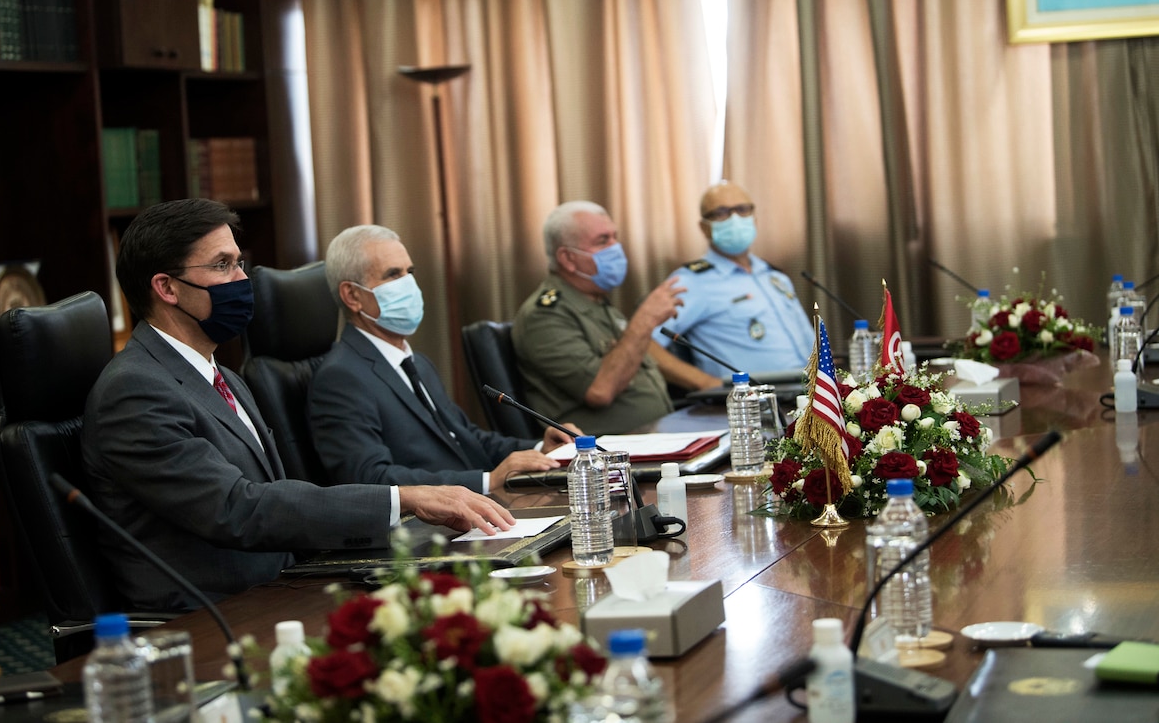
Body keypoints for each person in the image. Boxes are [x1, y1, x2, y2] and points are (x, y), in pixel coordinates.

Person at [82, 200, 513, 611]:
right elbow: (239, 509)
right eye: (222, 265)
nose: (240, 279)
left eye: (238, 262)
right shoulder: (135, 390)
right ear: (166, 287)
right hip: (211, 617)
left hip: (282, 586)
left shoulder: (222, 376)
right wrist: (404, 498)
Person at [309, 225, 575, 493]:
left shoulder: (418, 363)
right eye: (393, 275)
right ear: (352, 296)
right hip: (428, 527)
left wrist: (541, 448)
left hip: (478, 509)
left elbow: (466, 439)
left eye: (409, 272)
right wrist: (486, 481)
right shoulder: (341, 377)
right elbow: (370, 479)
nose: (408, 283)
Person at [511, 201, 723, 435]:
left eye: (615, 237)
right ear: (568, 259)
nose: (616, 247)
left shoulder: (598, 303)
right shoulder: (545, 315)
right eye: (603, 241)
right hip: (607, 455)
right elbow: (600, 391)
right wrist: (644, 321)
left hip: (658, 436)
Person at [652, 181, 812, 377]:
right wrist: (704, 384)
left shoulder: (774, 276)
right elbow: (645, 345)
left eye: (742, 210)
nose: (734, 219)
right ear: (704, 228)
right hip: (755, 400)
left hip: (811, 392)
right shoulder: (692, 282)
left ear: (754, 219)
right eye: (721, 213)